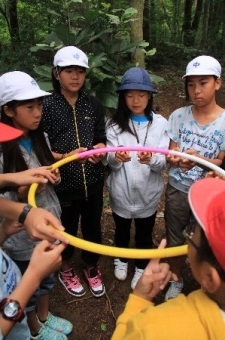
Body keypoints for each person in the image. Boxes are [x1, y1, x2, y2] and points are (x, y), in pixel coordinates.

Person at [0, 72, 73, 339]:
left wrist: (54, 175)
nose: (37, 112)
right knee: (27, 287)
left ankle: (45, 316)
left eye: (39, 105)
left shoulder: (40, 136)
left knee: (47, 280)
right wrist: (23, 192)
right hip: (20, 237)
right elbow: (8, 198)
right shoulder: (2, 149)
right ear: (8, 110)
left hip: (49, 222)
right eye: (29, 107)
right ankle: (33, 329)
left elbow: (53, 172)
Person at [112, 177, 225, 339]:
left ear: (209, 277)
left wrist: (139, 300)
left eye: (191, 232)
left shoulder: (154, 329)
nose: (189, 234)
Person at [42, 45, 106, 298]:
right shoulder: (45, 105)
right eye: (69, 70)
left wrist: (100, 149)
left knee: (93, 226)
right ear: (57, 73)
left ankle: (91, 265)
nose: (75, 76)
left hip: (93, 182)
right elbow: (40, 149)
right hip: (61, 185)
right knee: (64, 228)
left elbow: (101, 138)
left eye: (80, 71)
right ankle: (65, 265)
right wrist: (65, 158)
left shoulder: (92, 105)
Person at [164, 55, 225, 301]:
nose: (196, 91)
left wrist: (200, 159)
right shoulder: (178, 116)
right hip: (178, 188)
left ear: (217, 83)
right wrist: (178, 159)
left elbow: (220, 161)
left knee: (209, 239)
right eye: (191, 84)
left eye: (203, 83)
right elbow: (170, 153)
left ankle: (207, 284)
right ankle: (176, 278)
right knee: (175, 233)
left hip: (209, 194)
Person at [106, 67, 169, 289]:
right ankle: (121, 258)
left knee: (144, 232)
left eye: (141, 94)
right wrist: (117, 157)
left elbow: (163, 163)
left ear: (149, 95)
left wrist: (151, 159)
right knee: (121, 229)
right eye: (130, 94)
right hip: (121, 192)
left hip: (147, 194)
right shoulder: (113, 124)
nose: (136, 100)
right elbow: (110, 164)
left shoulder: (161, 124)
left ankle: (141, 265)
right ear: (122, 96)